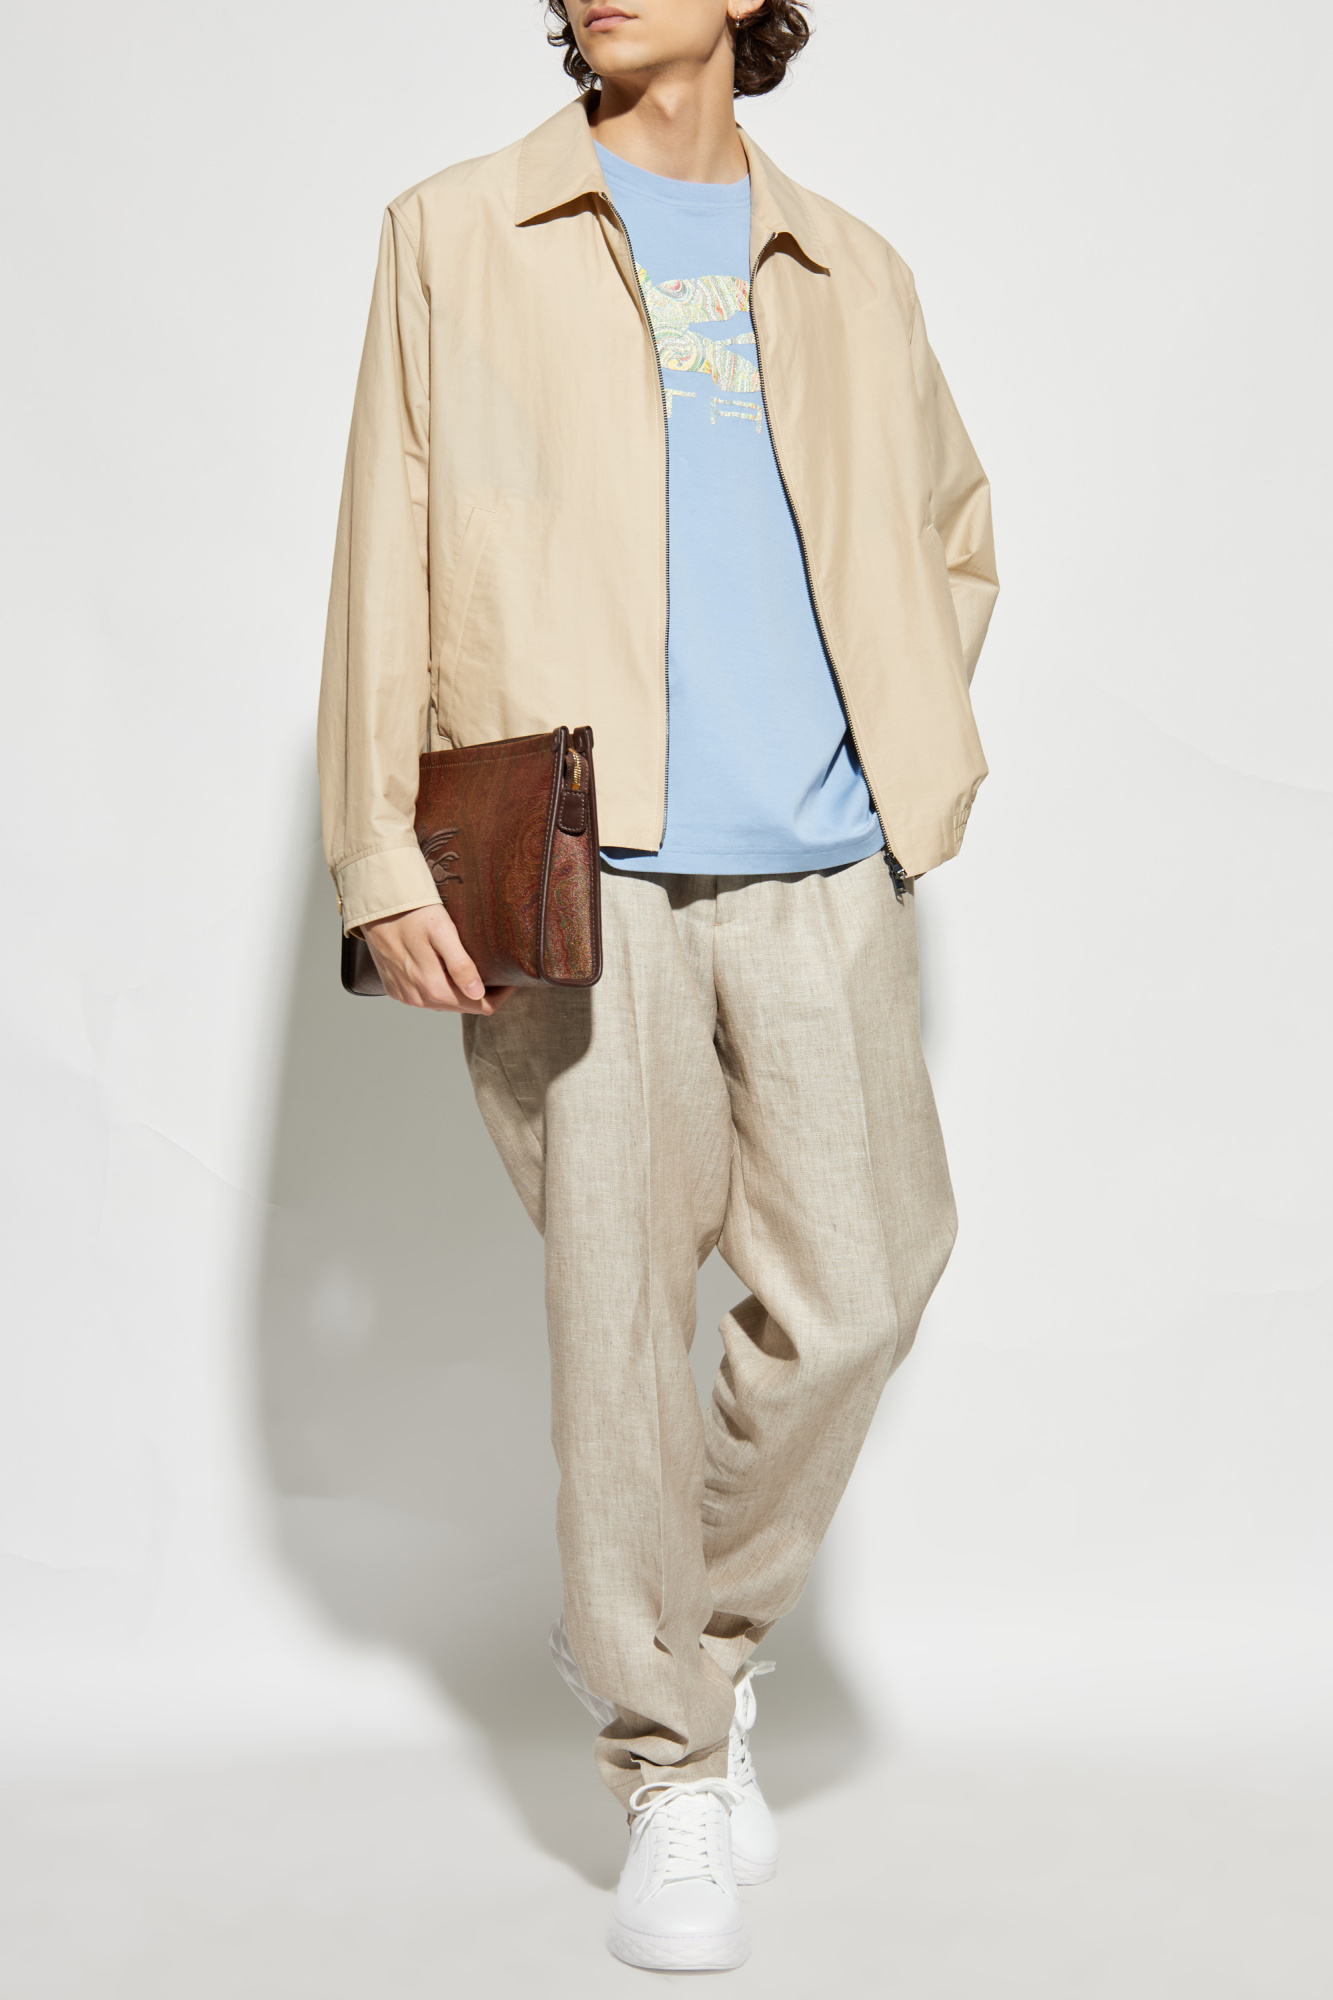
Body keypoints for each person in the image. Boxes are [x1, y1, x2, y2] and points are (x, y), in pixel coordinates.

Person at [317, 0, 997, 1972]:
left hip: (822, 862)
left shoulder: (850, 268)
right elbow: (386, 553)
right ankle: (667, 1761)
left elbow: (952, 536)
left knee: (863, 1285)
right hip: (572, 863)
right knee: (615, 1322)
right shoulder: (456, 232)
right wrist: (380, 856)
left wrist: (889, 741)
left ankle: (680, 1634)